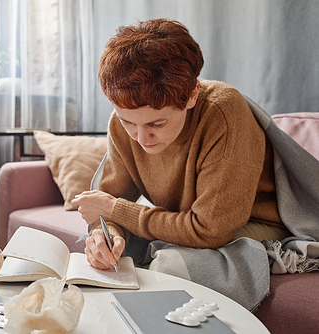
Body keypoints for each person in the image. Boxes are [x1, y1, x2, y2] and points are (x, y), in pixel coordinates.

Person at [71, 18, 291, 271]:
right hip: (191, 222)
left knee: (172, 266)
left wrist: (115, 210)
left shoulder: (224, 111)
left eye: (157, 124)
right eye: (128, 122)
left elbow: (210, 231)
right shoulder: (122, 122)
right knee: (112, 256)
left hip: (253, 223)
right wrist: (105, 234)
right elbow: (108, 204)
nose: (141, 139)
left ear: (192, 95)